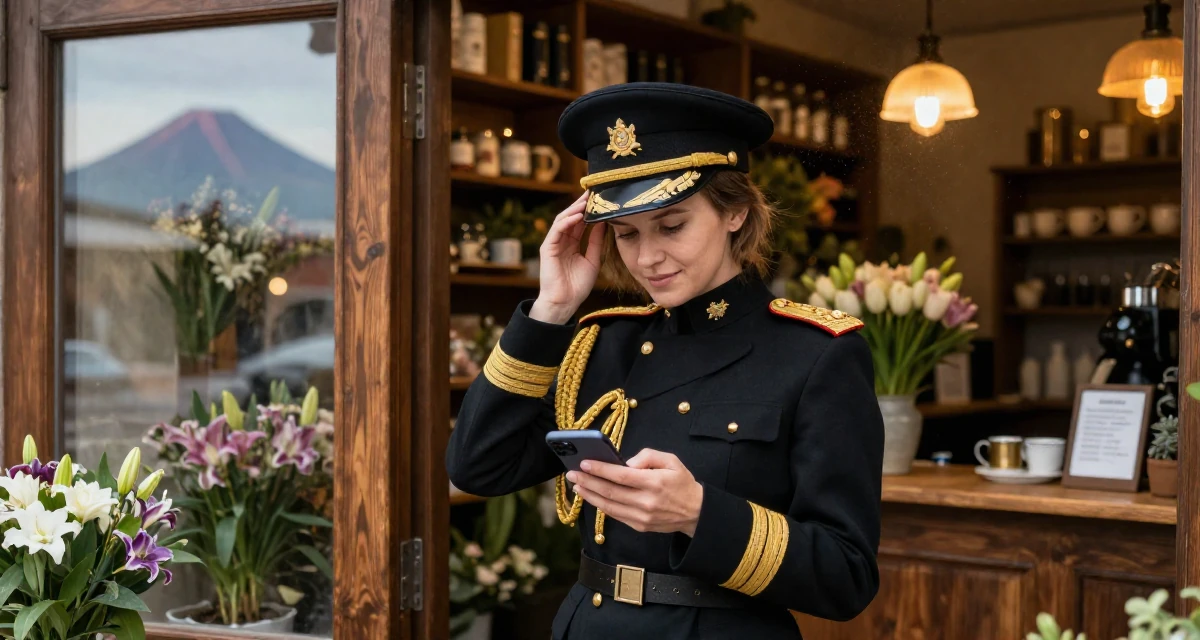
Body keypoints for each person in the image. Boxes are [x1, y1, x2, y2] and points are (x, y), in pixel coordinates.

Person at [446, 83, 884, 640]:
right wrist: (550, 309)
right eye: (625, 234)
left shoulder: (816, 353)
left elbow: (847, 575)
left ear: (736, 211)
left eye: (672, 226)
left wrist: (699, 514)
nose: (647, 257)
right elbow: (477, 467)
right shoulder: (601, 343)